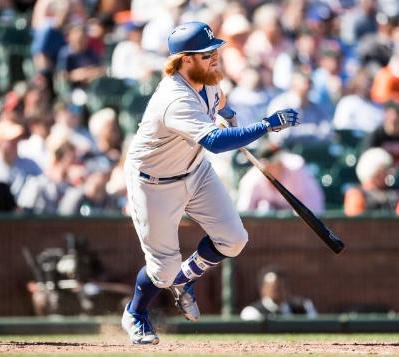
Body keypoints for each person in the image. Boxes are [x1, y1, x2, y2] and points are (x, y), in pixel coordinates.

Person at [121, 22, 299, 345]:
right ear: (185, 60)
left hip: (194, 170)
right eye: (207, 53)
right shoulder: (174, 97)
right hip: (154, 183)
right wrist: (267, 125)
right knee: (161, 272)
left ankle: (183, 278)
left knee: (233, 239)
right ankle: (135, 313)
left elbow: (218, 105)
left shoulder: (207, 80)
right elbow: (215, 142)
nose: (215, 57)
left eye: (215, 50)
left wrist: (228, 113)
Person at [237, 143, 325, 214]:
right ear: (263, 164)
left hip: (296, 222)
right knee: (264, 208)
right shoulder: (251, 179)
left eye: (279, 160)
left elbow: (314, 208)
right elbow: (244, 215)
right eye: (273, 162)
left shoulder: (297, 169)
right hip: (267, 228)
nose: (277, 165)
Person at [240, 266, 317, 321]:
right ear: (263, 289)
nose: (281, 292)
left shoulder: (303, 306)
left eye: (284, 287)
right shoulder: (252, 312)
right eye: (276, 288)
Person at [344, 148, 399, 216]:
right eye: (383, 169)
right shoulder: (356, 194)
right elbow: (353, 221)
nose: (387, 173)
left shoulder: (395, 192)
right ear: (374, 171)